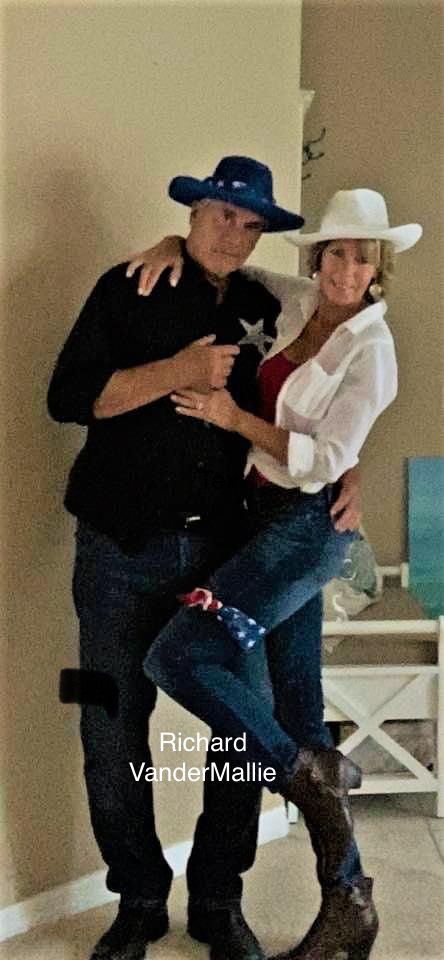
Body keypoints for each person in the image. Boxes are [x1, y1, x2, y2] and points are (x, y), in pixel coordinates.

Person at [48, 155, 362, 960]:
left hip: (229, 559)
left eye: (252, 225)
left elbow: (336, 367)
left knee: (237, 734)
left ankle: (219, 899)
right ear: (193, 214)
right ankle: (139, 899)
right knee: (108, 732)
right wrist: (178, 372)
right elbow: (68, 398)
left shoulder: (270, 304)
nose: (235, 234)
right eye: (224, 216)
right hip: (115, 554)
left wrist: (349, 465)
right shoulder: (129, 287)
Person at [128, 187, 422, 960]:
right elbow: (233, 264)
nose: (346, 270)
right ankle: (349, 905)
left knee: (177, 655)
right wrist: (171, 243)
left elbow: (323, 460)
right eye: (336, 253)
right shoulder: (298, 301)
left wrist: (232, 418)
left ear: (378, 268)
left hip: (302, 530)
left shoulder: (372, 350)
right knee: (300, 713)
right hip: (260, 519)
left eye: (363, 258)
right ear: (318, 258)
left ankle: (302, 774)